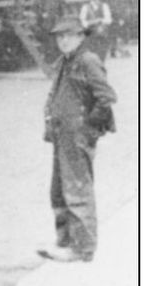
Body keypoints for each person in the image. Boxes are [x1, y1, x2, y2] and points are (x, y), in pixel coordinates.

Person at [38, 17, 117, 263]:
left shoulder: (87, 60)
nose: (63, 40)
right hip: (63, 135)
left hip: (77, 136)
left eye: (68, 35)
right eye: (59, 37)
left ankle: (82, 248)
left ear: (81, 37)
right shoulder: (66, 61)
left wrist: (88, 128)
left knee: (77, 190)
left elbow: (106, 98)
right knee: (60, 191)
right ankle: (65, 241)